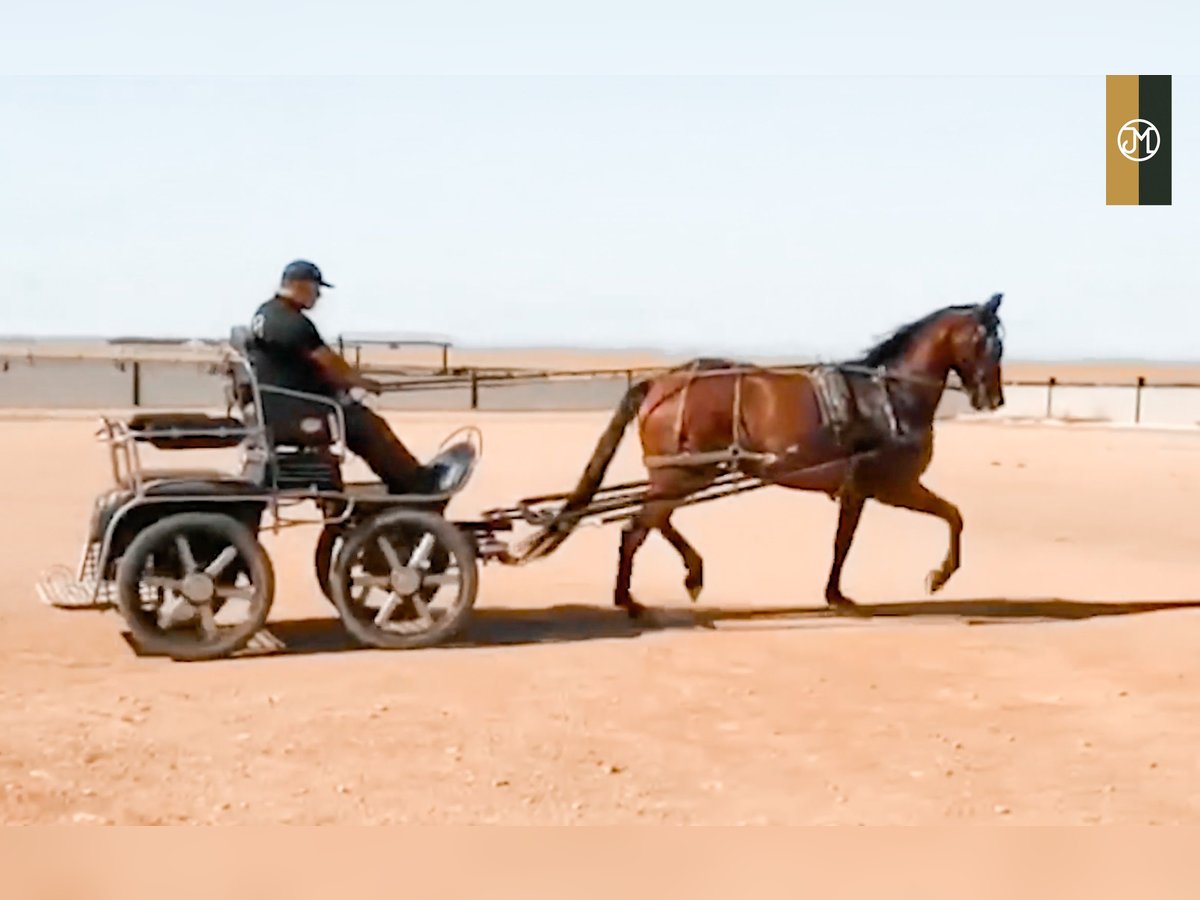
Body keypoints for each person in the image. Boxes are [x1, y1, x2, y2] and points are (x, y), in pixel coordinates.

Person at [248, 259, 437, 493]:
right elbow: (329, 363)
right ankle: (413, 484)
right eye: (316, 289)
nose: (318, 297)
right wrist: (361, 382)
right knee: (366, 425)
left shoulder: (267, 312)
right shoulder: (293, 323)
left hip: (282, 402)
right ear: (300, 286)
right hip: (299, 407)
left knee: (357, 414)